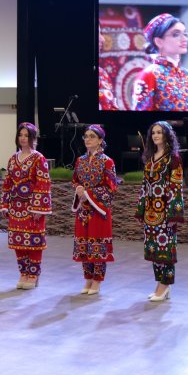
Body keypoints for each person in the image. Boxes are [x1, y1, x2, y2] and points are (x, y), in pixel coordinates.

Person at [135, 121, 185, 302]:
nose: (156, 135)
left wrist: (174, 214)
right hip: (150, 212)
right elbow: (144, 186)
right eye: (153, 133)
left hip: (165, 212)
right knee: (154, 249)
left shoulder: (173, 159)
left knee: (165, 249)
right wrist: (141, 209)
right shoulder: (150, 157)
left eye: (159, 132)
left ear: (167, 136)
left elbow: (176, 187)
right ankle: (160, 284)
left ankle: (165, 285)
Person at [0, 122, 52, 290]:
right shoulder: (12, 159)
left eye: (26, 135)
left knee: (34, 242)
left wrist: (39, 208)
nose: (23, 138)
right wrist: (5, 204)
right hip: (15, 207)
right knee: (18, 241)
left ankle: (33, 274)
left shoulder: (39, 158)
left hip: (32, 208)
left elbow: (43, 183)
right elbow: (7, 183)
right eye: (20, 135)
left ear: (33, 138)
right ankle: (23, 272)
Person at [71, 124, 118, 295]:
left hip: (99, 210)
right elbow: (75, 180)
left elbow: (111, 187)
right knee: (84, 244)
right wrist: (78, 189)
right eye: (86, 136)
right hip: (83, 210)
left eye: (92, 136)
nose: (88, 139)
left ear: (100, 140)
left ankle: (97, 280)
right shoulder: (80, 160)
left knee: (97, 245)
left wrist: (88, 193)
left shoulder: (107, 161)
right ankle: (88, 278)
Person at [132, 13, 188, 112]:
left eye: (185, 34)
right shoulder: (149, 75)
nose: (184, 39)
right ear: (159, 42)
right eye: (176, 34)